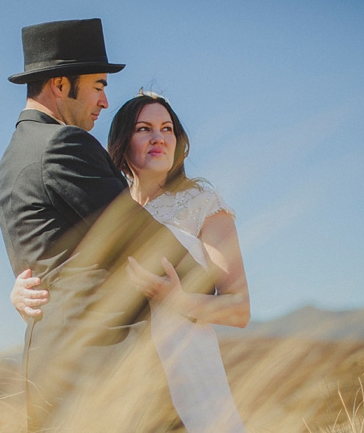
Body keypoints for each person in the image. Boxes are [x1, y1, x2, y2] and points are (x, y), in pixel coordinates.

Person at [0, 19, 208, 432]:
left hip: (54, 369)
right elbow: (136, 233)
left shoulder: (11, 159)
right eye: (97, 85)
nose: (105, 102)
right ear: (60, 84)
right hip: (102, 366)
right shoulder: (62, 144)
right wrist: (201, 284)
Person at [13, 91, 251, 432]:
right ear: (123, 143)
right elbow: (71, 276)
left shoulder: (204, 204)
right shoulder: (102, 208)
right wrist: (21, 293)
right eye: (144, 129)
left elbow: (239, 308)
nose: (159, 137)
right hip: (124, 372)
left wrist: (180, 300)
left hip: (187, 364)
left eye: (167, 129)